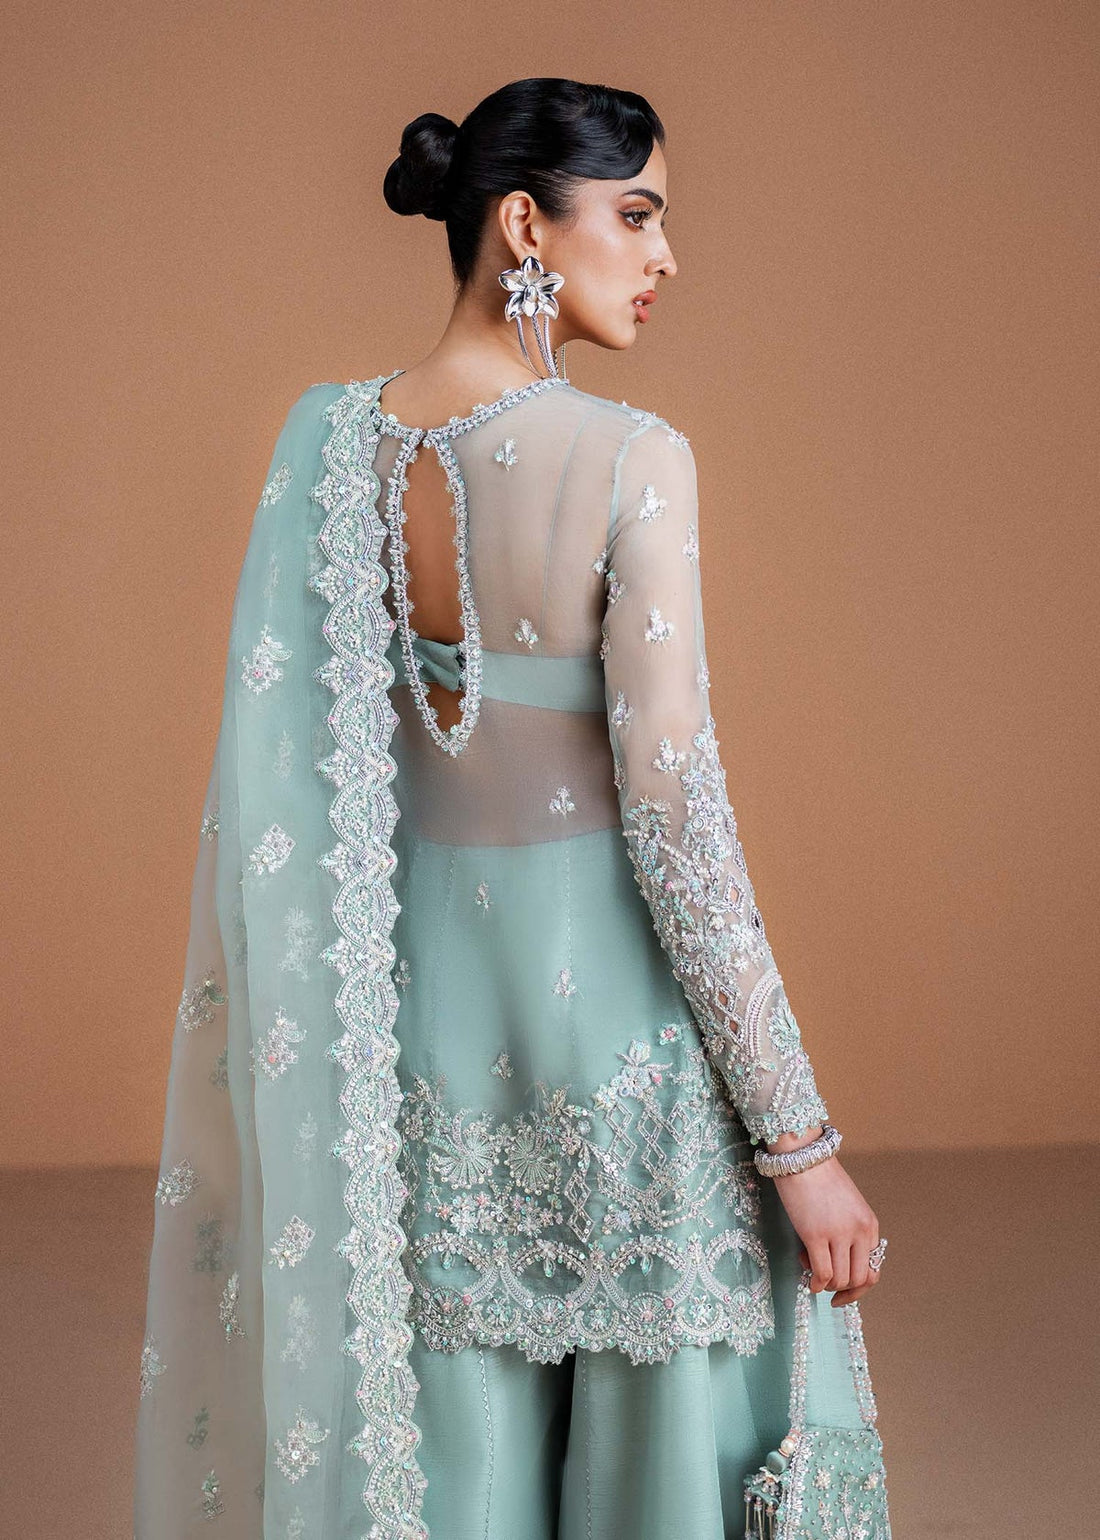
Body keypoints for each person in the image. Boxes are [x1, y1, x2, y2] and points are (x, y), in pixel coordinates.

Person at [133, 76, 891, 1540]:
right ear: (526, 224)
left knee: (449, 1486)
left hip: (420, 1078)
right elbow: (676, 819)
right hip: (624, 1074)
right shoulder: (634, 458)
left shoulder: (333, 447)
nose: (665, 257)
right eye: (638, 216)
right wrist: (799, 1145)